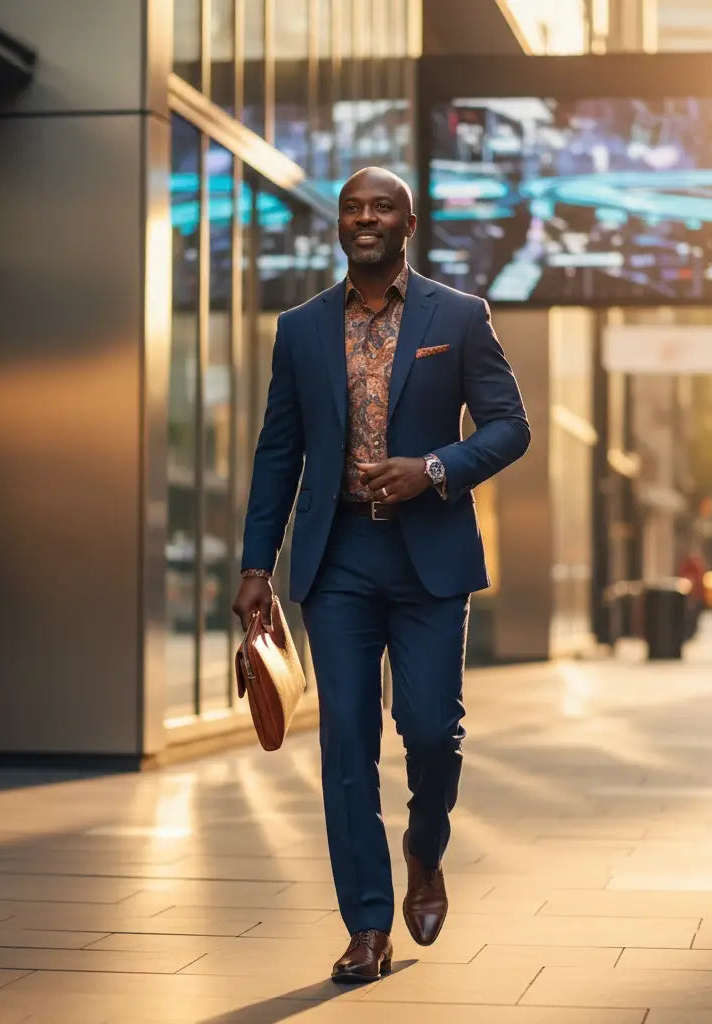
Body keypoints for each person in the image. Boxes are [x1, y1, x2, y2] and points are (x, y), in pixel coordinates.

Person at [232, 167, 529, 983]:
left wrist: (434, 467)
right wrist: (258, 564)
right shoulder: (299, 329)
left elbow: (511, 427)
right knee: (345, 745)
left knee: (431, 730)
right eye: (353, 209)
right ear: (340, 225)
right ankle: (367, 925)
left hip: (429, 556)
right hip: (338, 562)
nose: (366, 219)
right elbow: (277, 453)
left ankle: (424, 850)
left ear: (409, 222)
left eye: (381, 208)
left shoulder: (459, 317)